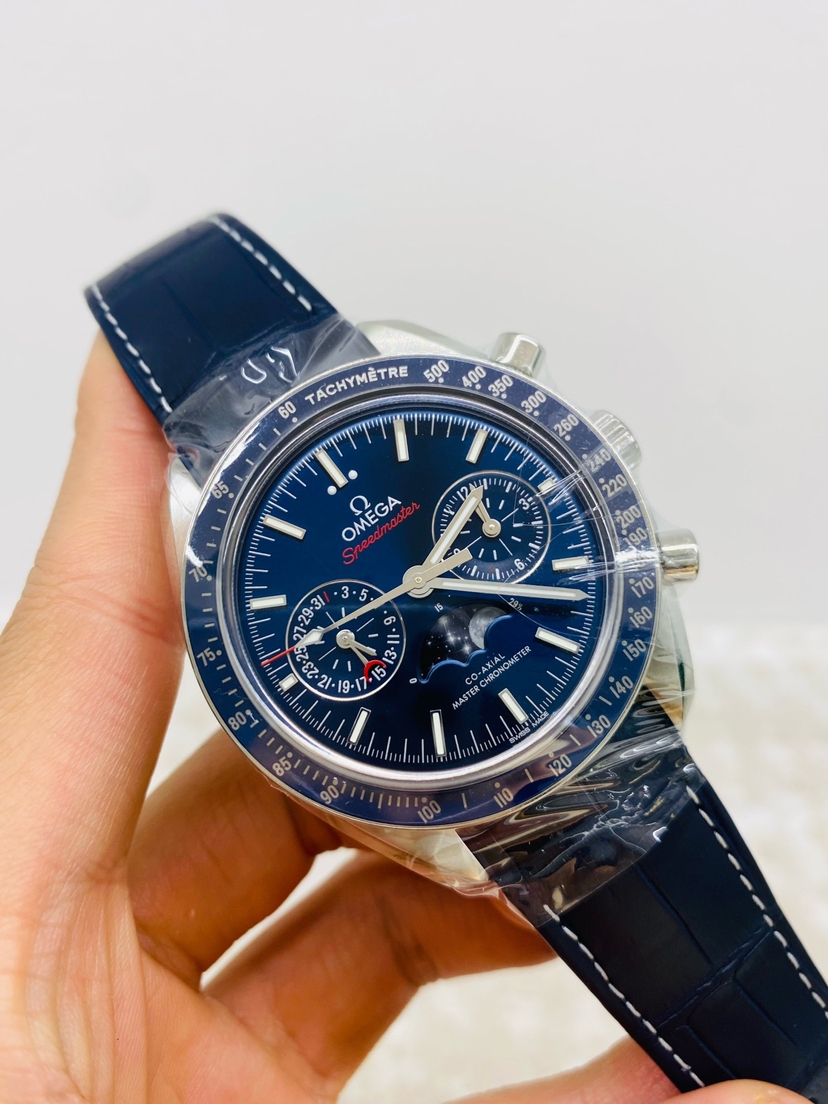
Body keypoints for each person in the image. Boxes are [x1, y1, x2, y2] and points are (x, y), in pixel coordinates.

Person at [0, 338, 806, 1103]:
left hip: (590, 711)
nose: (418, 581)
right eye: (411, 577)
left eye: (426, 570)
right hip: (476, 785)